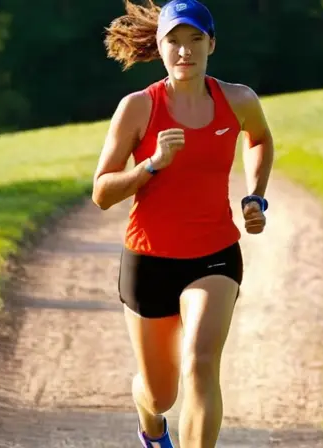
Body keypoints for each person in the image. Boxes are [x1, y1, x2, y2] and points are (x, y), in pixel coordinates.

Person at [92, 0, 274, 446]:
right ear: (159, 46)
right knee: (159, 394)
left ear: (211, 44)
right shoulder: (137, 108)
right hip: (149, 259)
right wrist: (151, 165)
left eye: (195, 40)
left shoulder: (238, 100)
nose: (184, 52)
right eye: (173, 41)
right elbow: (101, 192)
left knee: (200, 362)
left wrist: (256, 195)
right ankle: (150, 423)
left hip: (213, 255)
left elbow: (260, 139)